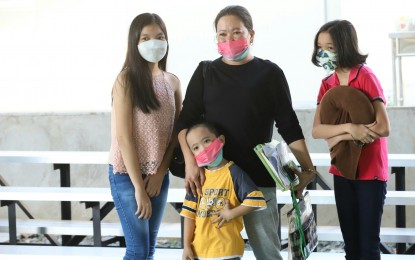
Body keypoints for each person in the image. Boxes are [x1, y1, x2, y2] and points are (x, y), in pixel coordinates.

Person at [176, 5, 316, 260]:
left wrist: (309, 169)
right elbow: (184, 124)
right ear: (215, 38)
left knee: (268, 253)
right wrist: (189, 163)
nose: (229, 39)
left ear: (251, 35)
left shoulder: (270, 74)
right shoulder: (206, 72)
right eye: (222, 34)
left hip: (258, 179)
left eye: (236, 32)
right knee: (212, 253)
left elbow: (289, 126)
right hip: (214, 181)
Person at [311, 20, 390, 260]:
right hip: (342, 171)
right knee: (351, 247)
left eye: (330, 47)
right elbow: (316, 130)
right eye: (320, 47)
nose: (323, 53)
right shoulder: (327, 84)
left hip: (370, 173)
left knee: (367, 247)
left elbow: (383, 127)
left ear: (345, 46)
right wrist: (350, 130)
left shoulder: (365, 76)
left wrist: (338, 136)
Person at [108, 13, 182, 260]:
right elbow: (123, 137)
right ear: (135, 43)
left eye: (160, 37)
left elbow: (176, 133)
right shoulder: (126, 80)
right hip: (126, 175)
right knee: (138, 249)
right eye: (146, 37)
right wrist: (139, 187)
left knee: (149, 249)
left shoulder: (172, 82)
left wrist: (159, 173)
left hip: (158, 175)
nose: (155, 43)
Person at [180, 121, 267, 260]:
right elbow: (189, 215)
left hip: (227, 251)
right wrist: (186, 246)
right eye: (196, 148)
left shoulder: (234, 173)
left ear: (220, 140)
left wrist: (231, 214)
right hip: (199, 251)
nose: (203, 149)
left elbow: (257, 200)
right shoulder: (197, 179)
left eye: (206, 141)